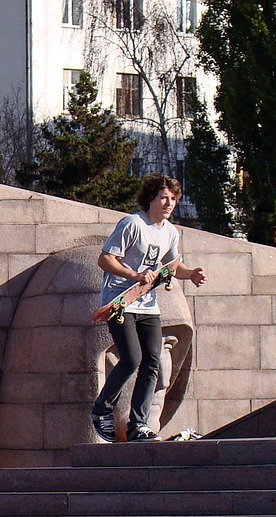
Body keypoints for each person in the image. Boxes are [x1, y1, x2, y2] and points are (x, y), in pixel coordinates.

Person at [89, 174, 207, 443]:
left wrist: (192, 274)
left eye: (173, 199)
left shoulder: (169, 231)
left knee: (153, 362)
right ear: (151, 199)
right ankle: (101, 410)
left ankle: (138, 425)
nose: (169, 203)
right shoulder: (132, 224)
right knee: (131, 359)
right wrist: (134, 275)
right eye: (164, 197)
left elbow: (173, 266)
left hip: (148, 305)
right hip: (120, 302)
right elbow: (105, 259)